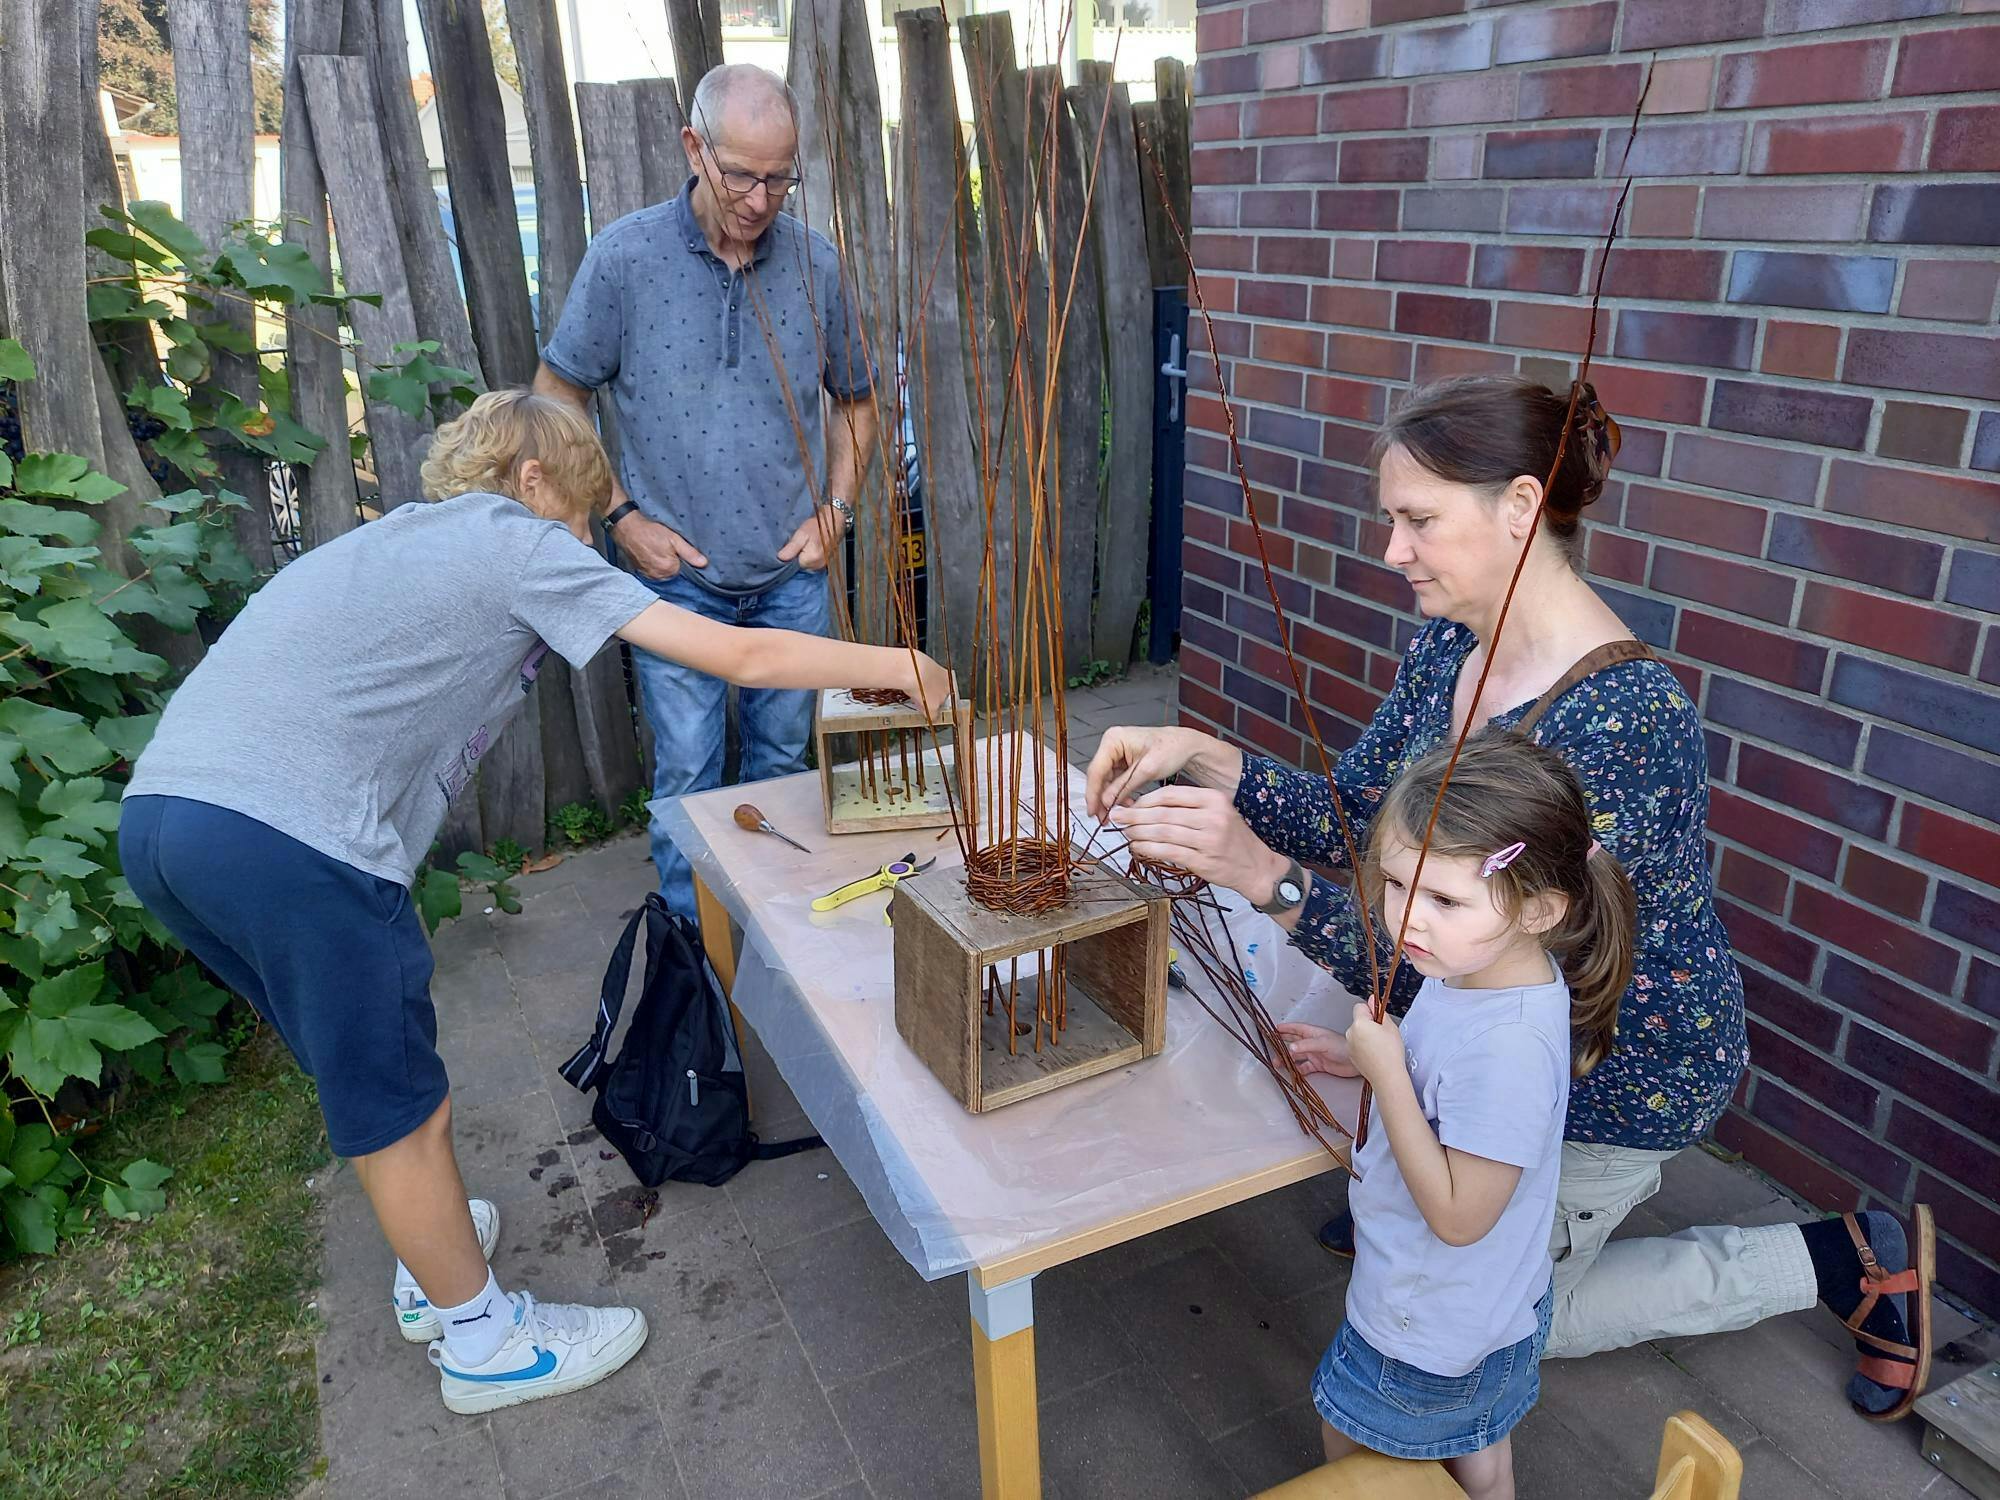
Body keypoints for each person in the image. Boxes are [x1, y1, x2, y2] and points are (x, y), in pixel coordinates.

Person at [1090, 374, 1934, 1422]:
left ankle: (1837, 1259)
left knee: (1487, 1330)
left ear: (1521, 508)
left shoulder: (1621, 721)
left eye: (1416, 520)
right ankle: (1435, 1190)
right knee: (1433, 1255)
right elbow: (1362, 817)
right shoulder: (1453, 637)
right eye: (1389, 519)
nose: (1390, 550)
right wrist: (1216, 764)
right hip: (1472, 1030)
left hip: (1612, 1069)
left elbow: (1489, 968)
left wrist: (1266, 880)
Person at [119, 391, 947, 1414]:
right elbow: (744, 656)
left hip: (166, 821)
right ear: (531, 478)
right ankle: (482, 1342)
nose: (587, 545)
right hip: (290, 841)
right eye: (587, 518)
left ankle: (435, 1258)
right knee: (401, 1111)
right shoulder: (514, 540)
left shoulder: (402, 538)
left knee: (367, 1076)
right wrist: (900, 670)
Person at [534, 61, 878, 920]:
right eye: (740, 175)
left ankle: (768, 938)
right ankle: (692, 955)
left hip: (791, 579)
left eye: (780, 177)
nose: (761, 200)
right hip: (674, 582)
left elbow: (860, 402)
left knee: (784, 771)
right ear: (694, 147)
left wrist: (838, 510)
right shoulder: (625, 259)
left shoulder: (817, 266)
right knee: (687, 775)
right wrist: (619, 516)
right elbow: (556, 395)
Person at [1281, 732, 1634, 1499]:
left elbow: (1460, 1214)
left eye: (1443, 898)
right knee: (1480, 1447)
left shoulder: (1507, 1048)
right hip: (1491, 1311)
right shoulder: (1478, 969)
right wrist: (1386, 1059)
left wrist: (1389, 1079)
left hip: (1427, 1326)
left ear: (1539, 908)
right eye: (1399, 884)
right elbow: (1453, 1082)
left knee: (1351, 1441)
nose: (1407, 918)